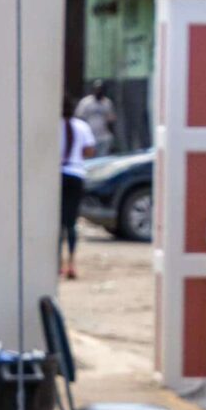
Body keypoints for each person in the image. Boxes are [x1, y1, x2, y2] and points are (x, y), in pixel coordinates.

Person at [61, 97, 98, 280]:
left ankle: (58, 263)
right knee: (71, 223)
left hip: (58, 175)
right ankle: (71, 263)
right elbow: (90, 150)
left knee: (57, 222)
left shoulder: (53, 126)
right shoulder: (82, 126)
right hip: (76, 174)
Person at [76, 79, 122, 154]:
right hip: (90, 137)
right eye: (97, 89)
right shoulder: (86, 102)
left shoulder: (107, 103)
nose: (99, 91)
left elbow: (111, 120)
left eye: (101, 89)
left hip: (103, 137)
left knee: (102, 159)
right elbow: (79, 118)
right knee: (90, 160)